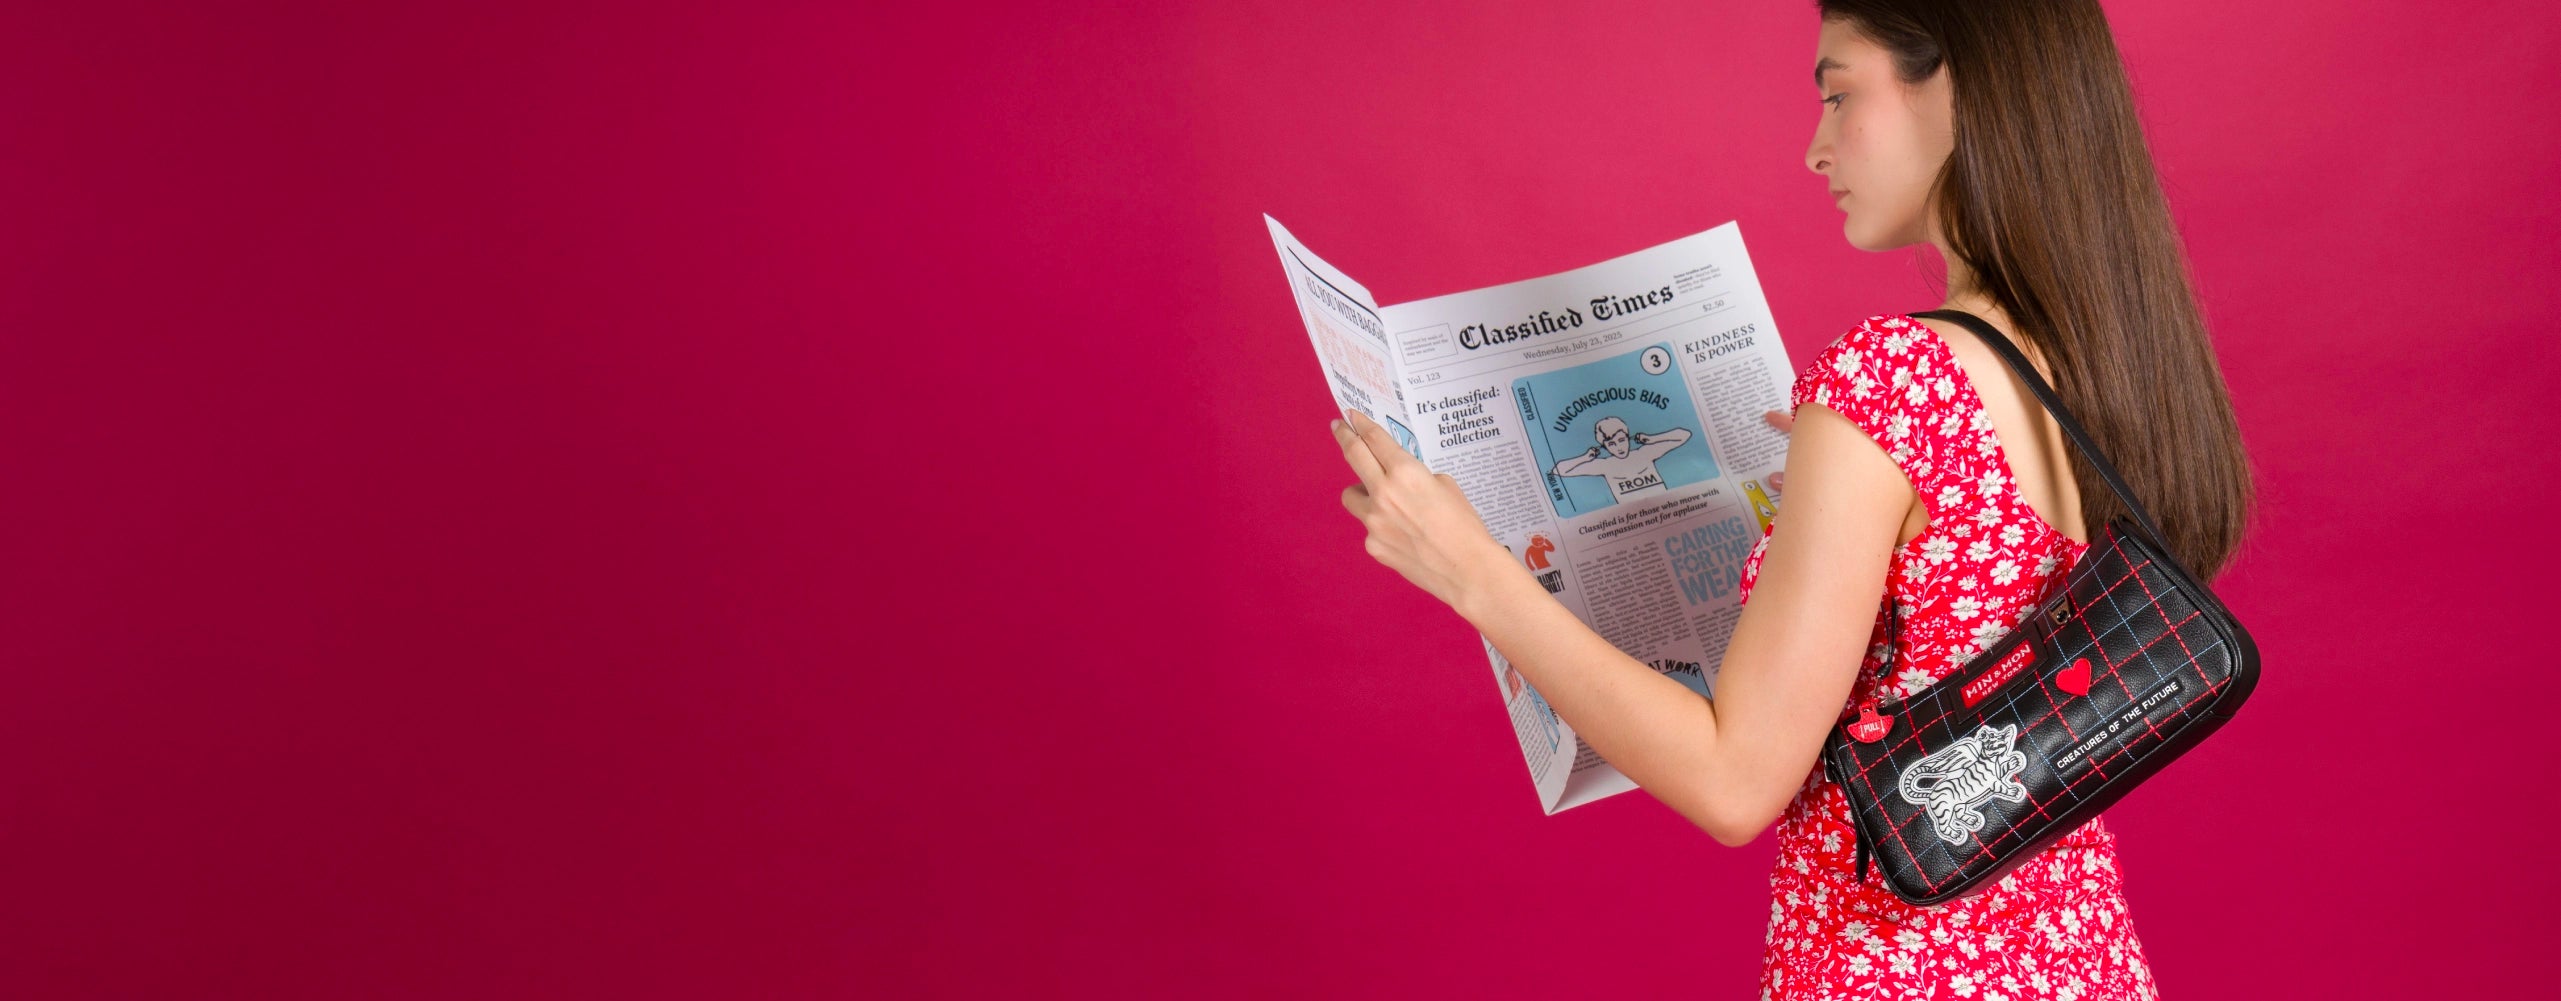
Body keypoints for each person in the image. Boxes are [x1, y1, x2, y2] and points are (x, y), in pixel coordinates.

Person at [1323, 1, 2253, 997]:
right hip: (2079, 959)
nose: (1816, 149)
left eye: (1839, 93)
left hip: (1898, 968)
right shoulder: (2108, 360)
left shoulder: (1890, 377)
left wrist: (1474, 572)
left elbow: (1734, 782)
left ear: (1963, 89)